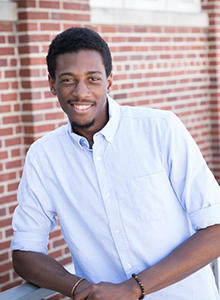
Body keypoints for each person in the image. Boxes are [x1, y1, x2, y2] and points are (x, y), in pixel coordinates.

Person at [11, 27, 220, 300]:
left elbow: (215, 228)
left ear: (110, 82)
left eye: (93, 78)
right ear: (52, 84)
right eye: (68, 80)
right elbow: (25, 253)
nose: (81, 91)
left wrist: (133, 288)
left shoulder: (161, 129)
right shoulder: (44, 157)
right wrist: (78, 287)